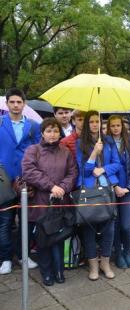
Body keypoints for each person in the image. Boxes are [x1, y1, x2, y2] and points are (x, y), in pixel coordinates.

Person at [21, 118, 77, 286]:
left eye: (55, 131)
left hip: (60, 201)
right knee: (43, 239)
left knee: (59, 237)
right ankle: (46, 272)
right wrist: (51, 186)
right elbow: (29, 171)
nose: (52, 134)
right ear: (42, 133)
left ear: (60, 133)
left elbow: (72, 173)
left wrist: (62, 187)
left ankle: (59, 270)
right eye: (48, 131)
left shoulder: (65, 151)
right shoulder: (33, 150)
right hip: (41, 201)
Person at [0, 88, 41, 275]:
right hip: (4, 179)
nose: (16, 105)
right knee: (5, 222)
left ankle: (24, 255)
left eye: (19, 102)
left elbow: (40, 151)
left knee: (27, 221)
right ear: (7, 104)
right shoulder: (0, 123)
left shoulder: (33, 126)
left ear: (24, 104)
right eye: (12, 102)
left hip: (27, 179)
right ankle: (6, 258)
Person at [76, 111, 121, 280]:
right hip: (90, 191)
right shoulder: (80, 143)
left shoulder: (108, 141)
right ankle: (93, 265)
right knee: (89, 228)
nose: (95, 124)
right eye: (91, 121)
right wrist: (94, 153)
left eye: (97, 121)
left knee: (109, 228)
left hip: (107, 189)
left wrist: (103, 169)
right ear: (87, 124)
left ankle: (105, 262)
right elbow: (84, 170)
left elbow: (117, 163)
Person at [107, 115, 130, 269]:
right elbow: (105, 167)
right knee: (115, 224)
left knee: (126, 225)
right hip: (111, 190)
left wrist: (128, 187)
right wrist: (115, 186)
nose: (115, 128)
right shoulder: (105, 143)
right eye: (112, 125)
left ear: (122, 126)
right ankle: (118, 254)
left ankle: (127, 252)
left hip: (127, 189)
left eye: (118, 125)